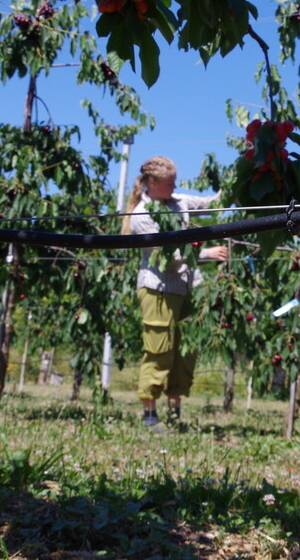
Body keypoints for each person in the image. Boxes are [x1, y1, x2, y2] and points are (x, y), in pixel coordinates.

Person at [122, 156, 228, 428]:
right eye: (170, 182)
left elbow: (211, 204)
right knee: (159, 350)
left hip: (186, 286)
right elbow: (166, 256)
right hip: (157, 288)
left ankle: (175, 411)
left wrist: (237, 181)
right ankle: (149, 413)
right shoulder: (141, 216)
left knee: (184, 351)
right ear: (153, 183)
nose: (175, 185)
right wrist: (206, 253)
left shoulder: (178, 203)